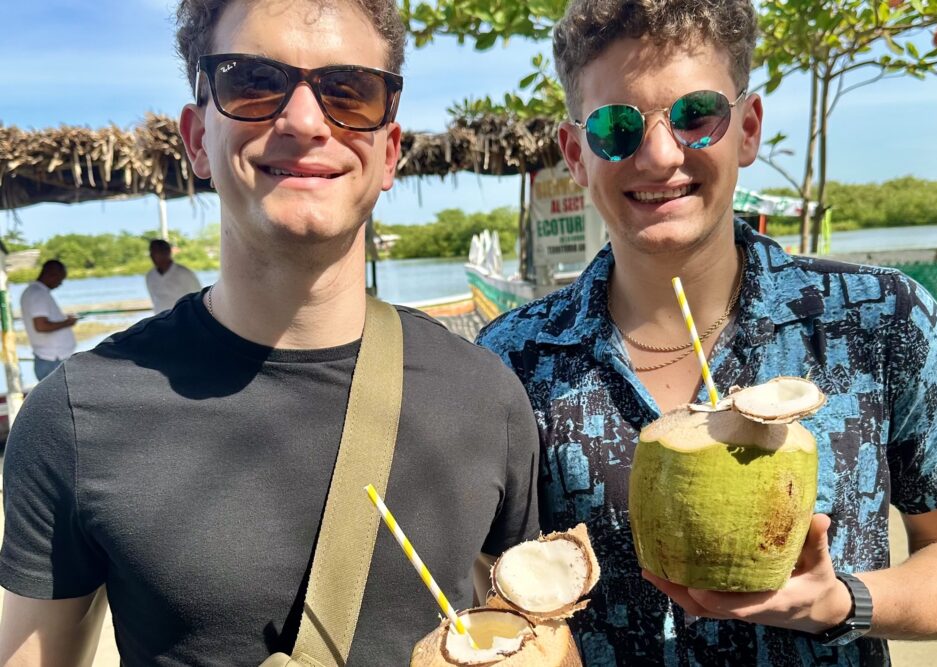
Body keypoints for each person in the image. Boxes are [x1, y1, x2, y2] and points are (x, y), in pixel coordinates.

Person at [0, 1, 539, 664]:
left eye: (350, 92)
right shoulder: (74, 419)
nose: (306, 121)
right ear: (197, 138)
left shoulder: (488, 398)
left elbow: (536, 634)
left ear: (389, 151)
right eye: (252, 81)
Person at [477, 1, 937, 664]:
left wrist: (841, 601)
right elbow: (489, 581)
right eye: (617, 126)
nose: (660, 154)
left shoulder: (880, 321)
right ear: (577, 153)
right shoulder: (510, 363)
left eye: (696, 116)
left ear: (746, 128)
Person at [19, 259, 77, 381]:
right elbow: (41, 326)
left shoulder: (34, 292)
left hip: (49, 358)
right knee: (58, 398)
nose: (60, 283)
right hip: (52, 359)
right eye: (60, 279)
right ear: (52, 274)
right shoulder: (38, 293)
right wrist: (67, 322)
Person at [145, 238, 202, 313]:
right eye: (151, 252)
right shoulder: (150, 276)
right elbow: (153, 299)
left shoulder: (184, 273)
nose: (152, 256)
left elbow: (198, 299)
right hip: (160, 320)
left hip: (184, 319)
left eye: (156, 251)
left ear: (167, 252)